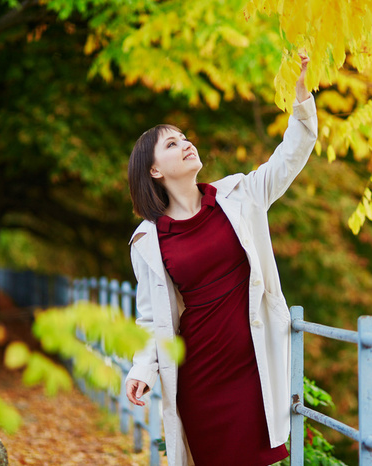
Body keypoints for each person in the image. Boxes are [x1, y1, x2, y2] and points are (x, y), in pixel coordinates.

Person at [125, 54, 317, 466]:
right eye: (171, 144)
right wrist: (142, 369)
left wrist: (301, 98)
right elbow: (151, 318)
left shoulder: (239, 196)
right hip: (200, 380)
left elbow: (292, 153)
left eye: (184, 137)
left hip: (253, 369)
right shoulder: (148, 241)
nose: (186, 144)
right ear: (154, 171)